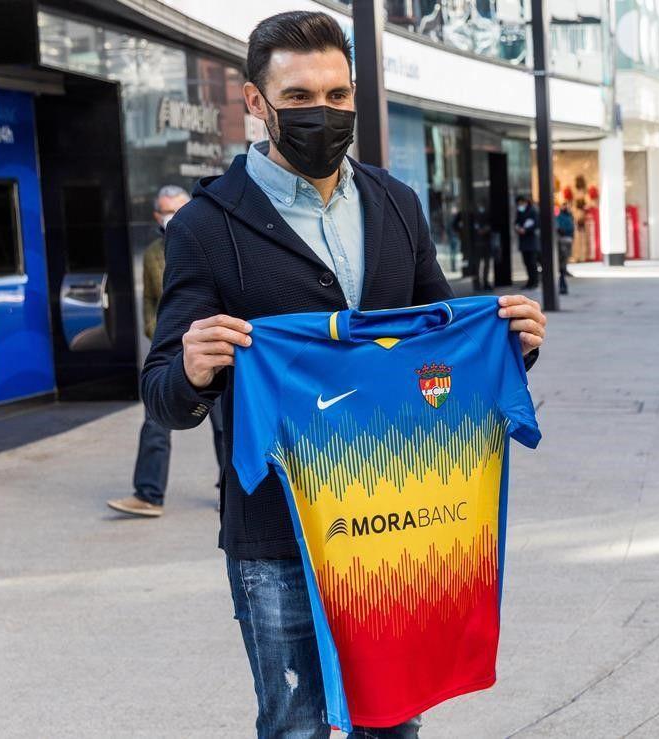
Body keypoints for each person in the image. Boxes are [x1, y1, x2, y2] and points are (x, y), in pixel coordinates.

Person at [139, 12, 547, 737]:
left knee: (392, 721)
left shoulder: (396, 203)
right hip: (277, 534)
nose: (320, 113)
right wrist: (194, 371)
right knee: (294, 724)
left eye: (336, 94)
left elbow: (443, 331)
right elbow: (163, 391)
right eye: (297, 97)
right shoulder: (207, 225)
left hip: (393, 520)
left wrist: (510, 343)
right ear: (255, 101)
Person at [107, 186, 226, 518]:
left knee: (223, 425)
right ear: (157, 216)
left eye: (179, 208)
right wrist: (154, 330)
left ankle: (231, 490)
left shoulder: (210, 244)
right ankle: (148, 494)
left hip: (213, 351)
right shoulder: (153, 254)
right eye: (166, 210)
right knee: (155, 420)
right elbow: (150, 301)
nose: (172, 216)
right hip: (171, 350)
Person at [514, 195, 540, 289]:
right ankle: (530, 281)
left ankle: (535, 282)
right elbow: (516, 223)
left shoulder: (533, 211)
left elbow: (536, 224)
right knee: (526, 263)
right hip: (523, 242)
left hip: (531, 242)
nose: (520, 205)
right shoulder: (520, 212)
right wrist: (517, 228)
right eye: (518, 203)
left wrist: (526, 230)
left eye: (521, 203)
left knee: (532, 262)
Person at [471, 201, 494, 291]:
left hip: (486, 243)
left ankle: (485, 282)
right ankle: (477, 283)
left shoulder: (488, 215)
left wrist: (486, 230)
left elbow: (491, 226)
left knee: (486, 264)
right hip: (476, 244)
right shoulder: (473, 216)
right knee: (477, 264)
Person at [555, 203, 575, 295]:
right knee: (562, 263)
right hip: (562, 241)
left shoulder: (568, 216)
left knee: (563, 262)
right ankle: (562, 285)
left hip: (566, 240)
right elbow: (559, 228)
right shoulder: (560, 217)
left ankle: (563, 284)